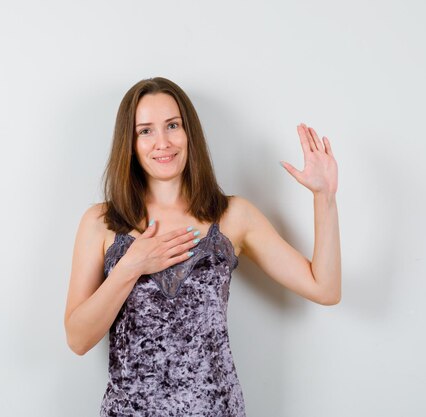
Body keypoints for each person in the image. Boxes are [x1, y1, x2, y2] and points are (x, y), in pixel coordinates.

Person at [63, 77, 341, 416]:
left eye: (172, 125)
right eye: (145, 131)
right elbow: (78, 339)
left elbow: (324, 288)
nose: (162, 142)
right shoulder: (101, 222)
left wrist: (323, 197)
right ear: (130, 143)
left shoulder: (233, 216)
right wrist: (130, 267)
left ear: (188, 132)